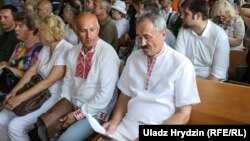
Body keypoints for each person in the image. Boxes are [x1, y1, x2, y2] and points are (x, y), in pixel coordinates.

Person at [102, 13, 200, 141]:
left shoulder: (182, 64)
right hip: (127, 127)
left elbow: (183, 115)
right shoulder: (133, 58)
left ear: (163, 35)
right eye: (139, 37)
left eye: (147, 37)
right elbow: (124, 96)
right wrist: (114, 122)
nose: (142, 43)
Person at [38, 13, 120, 141]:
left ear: (98, 29)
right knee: (43, 129)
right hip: (74, 103)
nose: (89, 36)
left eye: (92, 30)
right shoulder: (73, 52)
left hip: (96, 111)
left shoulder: (107, 54)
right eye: (83, 31)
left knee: (64, 139)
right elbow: (68, 83)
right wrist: (62, 107)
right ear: (76, 32)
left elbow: (104, 96)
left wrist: (76, 115)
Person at [0, 15, 73, 141]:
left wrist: (19, 98)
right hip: (37, 91)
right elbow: (31, 71)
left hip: (53, 96)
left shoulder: (65, 49)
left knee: (15, 127)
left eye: (40, 31)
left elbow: (48, 82)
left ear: (49, 32)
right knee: (1, 119)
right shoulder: (47, 47)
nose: (37, 34)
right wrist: (14, 92)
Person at [175, 0, 230, 81]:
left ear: (198, 16)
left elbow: (218, 74)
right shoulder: (184, 30)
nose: (181, 16)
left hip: (212, 82)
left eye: (186, 14)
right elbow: (179, 61)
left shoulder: (220, 36)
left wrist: (198, 88)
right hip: (187, 78)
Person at [0, 10, 43, 97]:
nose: (16, 29)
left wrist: (12, 70)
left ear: (32, 29)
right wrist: (4, 64)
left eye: (20, 26)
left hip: (23, 92)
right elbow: (9, 64)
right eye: (16, 25)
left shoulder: (40, 49)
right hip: (8, 85)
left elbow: (36, 79)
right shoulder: (20, 45)